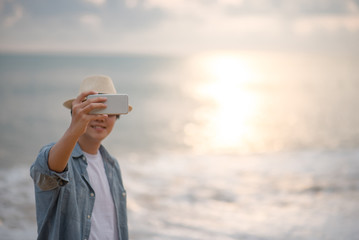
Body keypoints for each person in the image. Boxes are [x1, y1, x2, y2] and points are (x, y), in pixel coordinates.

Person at [30, 75, 132, 240]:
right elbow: (47, 171)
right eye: (95, 108)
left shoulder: (113, 165)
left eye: (110, 110)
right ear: (76, 112)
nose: (102, 116)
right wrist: (75, 128)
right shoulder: (59, 157)